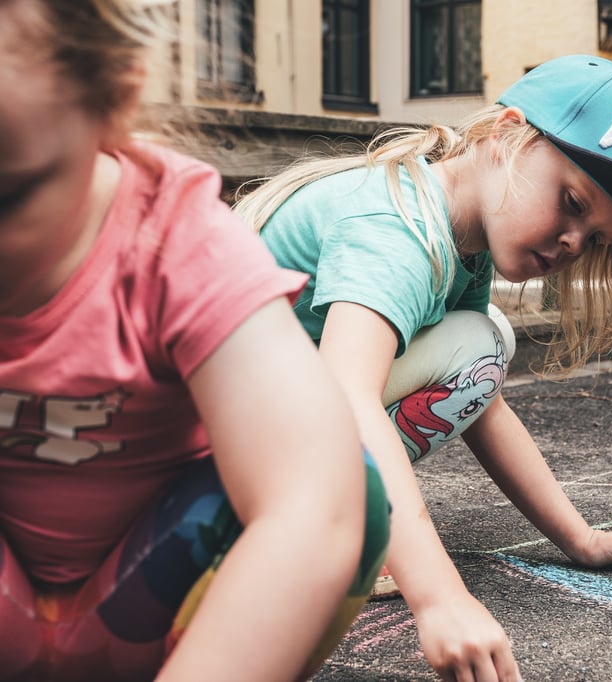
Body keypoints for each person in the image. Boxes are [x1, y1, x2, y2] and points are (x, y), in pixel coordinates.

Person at [236, 54, 612, 681]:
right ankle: (297, 530)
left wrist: (583, 541)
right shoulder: (396, 226)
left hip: (248, 438)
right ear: (507, 135)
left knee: (483, 345)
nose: (572, 243)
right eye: (572, 202)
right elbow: (347, 397)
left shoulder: (460, 238)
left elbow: (484, 402)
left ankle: (313, 521)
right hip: (198, 458)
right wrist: (442, 598)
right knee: (483, 344)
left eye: (596, 239)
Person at [0, 1, 389, 680]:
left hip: (146, 617)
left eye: (7, 198)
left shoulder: (178, 242)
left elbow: (314, 502)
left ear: (111, 105)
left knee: (346, 481)